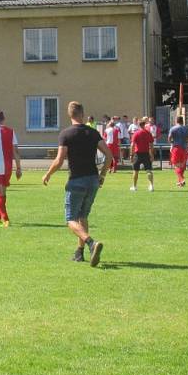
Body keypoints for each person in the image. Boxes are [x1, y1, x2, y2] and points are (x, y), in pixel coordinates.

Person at [42, 101, 112, 266]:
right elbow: (109, 156)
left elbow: (59, 160)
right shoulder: (93, 133)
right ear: (82, 113)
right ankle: (79, 253)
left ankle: (91, 243)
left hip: (76, 180)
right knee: (83, 216)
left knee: (70, 219)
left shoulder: (66, 134)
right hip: (93, 180)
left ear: (69, 114)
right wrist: (102, 175)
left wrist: (47, 174)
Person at [130, 119, 154, 192]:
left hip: (138, 154)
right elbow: (151, 144)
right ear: (144, 124)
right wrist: (152, 154)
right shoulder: (148, 133)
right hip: (146, 153)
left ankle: (134, 186)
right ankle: (151, 186)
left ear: (138, 125)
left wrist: (131, 154)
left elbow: (132, 145)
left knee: (135, 171)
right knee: (148, 170)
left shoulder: (136, 133)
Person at [168, 116, 188, 188]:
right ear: (182, 121)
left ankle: (182, 179)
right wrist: (185, 142)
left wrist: (172, 142)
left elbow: (169, 138)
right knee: (181, 165)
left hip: (176, 148)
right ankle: (180, 182)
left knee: (176, 165)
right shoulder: (186, 128)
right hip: (184, 148)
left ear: (176, 121)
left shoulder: (173, 128)